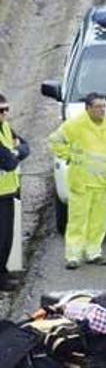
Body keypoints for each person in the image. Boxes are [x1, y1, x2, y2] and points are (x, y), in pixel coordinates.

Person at [49, 93, 106, 270]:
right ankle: (73, 256)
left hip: (102, 183)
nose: (102, 110)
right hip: (81, 183)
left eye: (103, 106)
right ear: (88, 108)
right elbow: (55, 141)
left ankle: (94, 253)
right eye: (98, 107)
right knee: (78, 220)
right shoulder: (76, 125)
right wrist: (69, 156)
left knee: (98, 222)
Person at [0, 94, 30, 291]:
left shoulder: (5, 127)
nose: (4, 114)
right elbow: (9, 163)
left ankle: (3, 274)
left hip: (7, 192)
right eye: (1, 110)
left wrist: (15, 152)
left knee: (6, 238)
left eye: (6, 109)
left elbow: (26, 147)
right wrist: (15, 153)